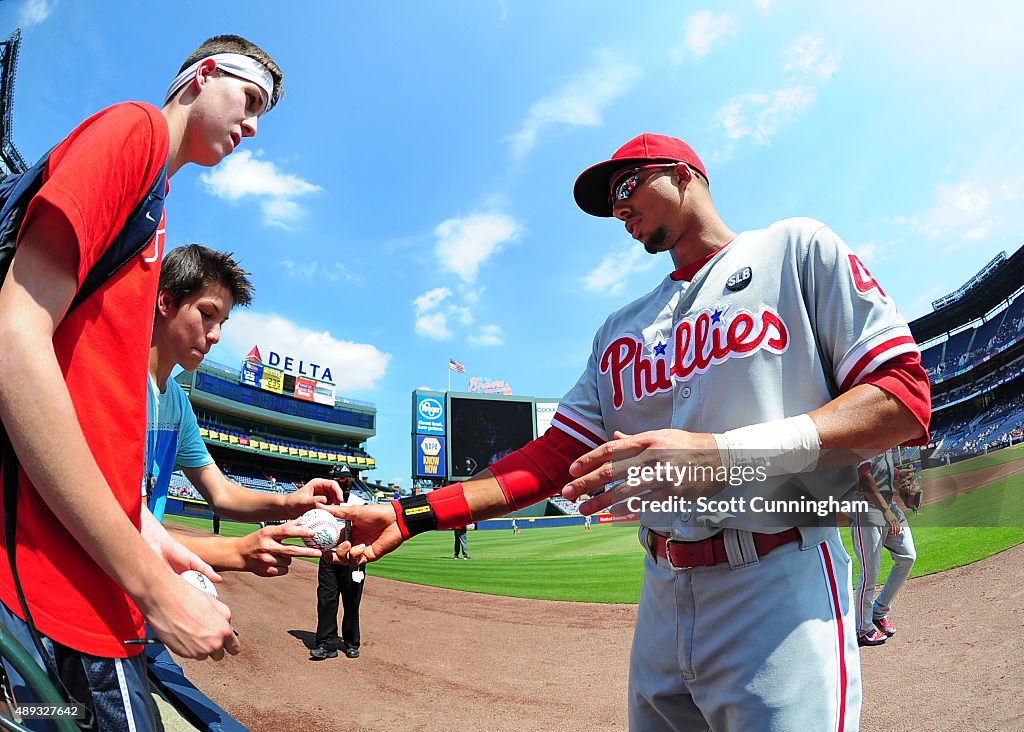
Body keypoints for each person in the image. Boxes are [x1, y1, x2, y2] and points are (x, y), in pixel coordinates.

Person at [332, 133, 931, 730]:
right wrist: (414, 514)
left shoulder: (795, 249)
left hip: (778, 578)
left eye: (625, 187)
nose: (618, 210)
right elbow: (554, 456)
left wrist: (722, 454)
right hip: (662, 592)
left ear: (684, 173)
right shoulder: (620, 329)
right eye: (610, 204)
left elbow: (903, 399)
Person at [0, 35, 284, 730]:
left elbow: (83, 394)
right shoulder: (133, 131)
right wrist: (156, 586)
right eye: (249, 100)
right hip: (56, 588)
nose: (252, 126)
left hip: (78, 584)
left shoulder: (154, 196)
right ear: (202, 75)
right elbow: (12, 339)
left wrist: (147, 531)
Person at [145, 244, 341, 576]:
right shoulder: (119, 387)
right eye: (207, 314)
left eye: (222, 321)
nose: (217, 335)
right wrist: (237, 550)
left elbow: (220, 493)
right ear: (165, 302)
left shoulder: (177, 403)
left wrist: (290, 503)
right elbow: (116, 521)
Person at [850, 450, 917, 647]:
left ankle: (879, 611)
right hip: (867, 508)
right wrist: (886, 511)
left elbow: (879, 469)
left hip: (888, 504)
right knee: (870, 572)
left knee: (907, 556)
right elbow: (864, 475)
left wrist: (897, 475)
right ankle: (863, 628)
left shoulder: (886, 440)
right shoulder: (865, 437)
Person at [311, 467, 367, 661]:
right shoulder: (322, 504)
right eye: (341, 480)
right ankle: (327, 644)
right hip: (328, 557)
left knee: (352, 602)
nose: (345, 484)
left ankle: (352, 642)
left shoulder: (359, 503)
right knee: (326, 600)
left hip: (352, 560)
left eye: (347, 480)